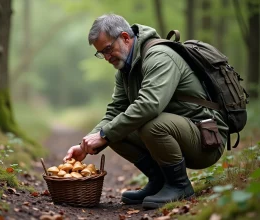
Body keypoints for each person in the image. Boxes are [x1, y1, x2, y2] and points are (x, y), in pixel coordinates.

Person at [63, 13, 228, 209]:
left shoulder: (160, 56)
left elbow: (149, 105)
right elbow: (114, 113)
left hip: (206, 140)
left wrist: (104, 135)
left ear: (125, 37)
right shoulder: (125, 70)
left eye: (108, 49)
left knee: (147, 124)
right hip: (179, 134)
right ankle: (159, 182)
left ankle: (179, 185)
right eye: (102, 53)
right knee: (113, 130)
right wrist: (86, 143)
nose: (106, 58)